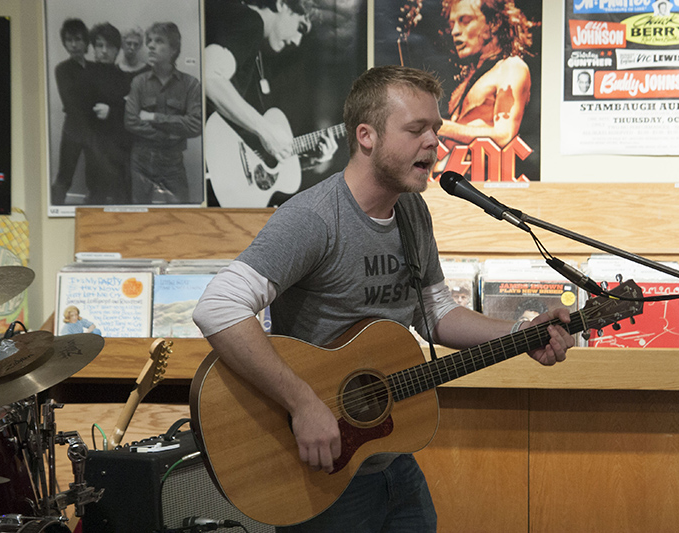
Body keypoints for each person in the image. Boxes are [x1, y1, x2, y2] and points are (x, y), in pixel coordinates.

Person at [193, 65, 573, 532]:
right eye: (416, 130)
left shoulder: (412, 211)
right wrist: (304, 404)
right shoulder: (315, 219)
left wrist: (519, 333)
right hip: (318, 467)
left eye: (435, 128)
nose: (434, 143)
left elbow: (436, 313)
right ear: (366, 136)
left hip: (390, 458)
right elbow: (217, 307)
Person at [204, 0, 338, 205]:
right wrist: (266, 130)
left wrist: (306, 160)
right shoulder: (251, 21)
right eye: (300, 27)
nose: (297, 41)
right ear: (283, 4)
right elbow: (208, 76)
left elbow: (249, 155)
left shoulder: (254, 51)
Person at [437, 0, 535, 149]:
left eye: (465, 21)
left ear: (494, 23)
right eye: (452, 24)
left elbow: (505, 136)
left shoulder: (511, 67)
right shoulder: (472, 77)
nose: (455, 31)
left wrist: (442, 127)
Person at [124, 22, 202, 204]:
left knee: (180, 216)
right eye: (149, 40)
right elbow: (130, 121)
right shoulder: (139, 82)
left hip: (173, 164)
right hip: (141, 161)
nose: (150, 45)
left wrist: (153, 117)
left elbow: (195, 126)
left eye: (159, 41)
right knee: (139, 216)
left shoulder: (190, 84)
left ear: (174, 49)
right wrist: (172, 133)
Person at [51, 18, 96, 205]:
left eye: (78, 39)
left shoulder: (95, 68)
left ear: (86, 42)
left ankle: (93, 210)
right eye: (69, 40)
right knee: (64, 176)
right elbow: (70, 103)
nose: (74, 44)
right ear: (64, 43)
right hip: (74, 129)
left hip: (95, 129)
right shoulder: (62, 69)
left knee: (95, 176)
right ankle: (54, 209)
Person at [87, 22, 132, 204]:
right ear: (94, 48)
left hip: (119, 145)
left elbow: (129, 110)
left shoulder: (124, 78)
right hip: (94, 143)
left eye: (110, 46)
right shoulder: (85, 74)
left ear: (117, 50)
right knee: (96, 194)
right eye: (100, 46)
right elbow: (82, 108)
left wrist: (112, 110)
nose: (104, 51)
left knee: (123, 194)